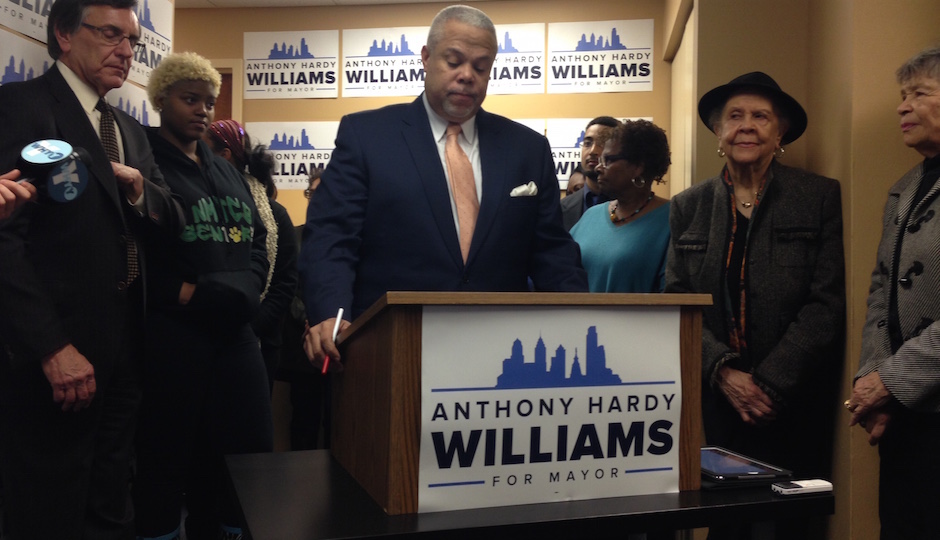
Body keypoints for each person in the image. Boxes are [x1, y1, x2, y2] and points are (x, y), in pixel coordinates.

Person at [301, 4, 587, 368]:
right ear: (426, 57)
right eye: (454, 62)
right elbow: (332, 236)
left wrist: (582, 319)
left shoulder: (527, 148)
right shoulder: (367, 137)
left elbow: (551, 251)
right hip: (389, 349)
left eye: (480, 67)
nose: (467, 75)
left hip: (501, 352)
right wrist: (331, 312)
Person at [0, 0, 185, 538]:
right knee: (49, 510)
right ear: (63, 34)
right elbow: (5, 240)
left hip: (127, 350)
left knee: (111, 504)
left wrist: (140, 189)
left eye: (133, 41)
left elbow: (172, 219)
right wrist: (51, 346)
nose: (126, 51)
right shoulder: (21, 107)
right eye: (110, 35)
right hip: (54, 359)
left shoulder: (129, 129)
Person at [665, 72, 845, 539]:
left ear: (780, 133)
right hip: (720, 401)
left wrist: (768, 384)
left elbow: (825, 302)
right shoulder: (688, 206)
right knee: (726, 524)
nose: (746, 125)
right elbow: (677, 300)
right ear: (718, 132)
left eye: (761, 116)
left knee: (790, 526)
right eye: (735, 116)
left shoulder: (818, 196)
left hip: (794, 401)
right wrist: (724, 374)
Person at [133, 52, 272, 540]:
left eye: (209, 102)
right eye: (190, 99)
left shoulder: (225, 168)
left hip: (235, 331)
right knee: (167, 458)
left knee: (247, 454)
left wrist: (249, 286)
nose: (203, 110)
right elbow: (130, 247)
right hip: (176, 332)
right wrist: (182, 292)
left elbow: (258, 237)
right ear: (161, 99)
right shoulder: (146, 160)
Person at [848, 45, 940, 540]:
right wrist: (873, 377)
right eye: (902, 96)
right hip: (905, 412)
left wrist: (891, 380)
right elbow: (882, 289)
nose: (902, 107)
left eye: (919, 94)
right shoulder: (905, 187)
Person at [206, 118, 299, 394]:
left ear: (224, 156)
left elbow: (284, 284)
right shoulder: (199, 204)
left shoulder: (275, 215)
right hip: (203, 339)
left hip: (259, 343)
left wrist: (248, 328)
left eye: (203, 150)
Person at [570, 119, 671, 292]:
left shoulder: (671, 219)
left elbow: (673, 295)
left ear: (638, 167)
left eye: (608, 160)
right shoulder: (591, 216)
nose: (598, 168)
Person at [561, 116, 619, 231]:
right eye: (587, 143)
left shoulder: (632, 205)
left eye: (602, 143)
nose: (592, 151)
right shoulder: (561, 208)